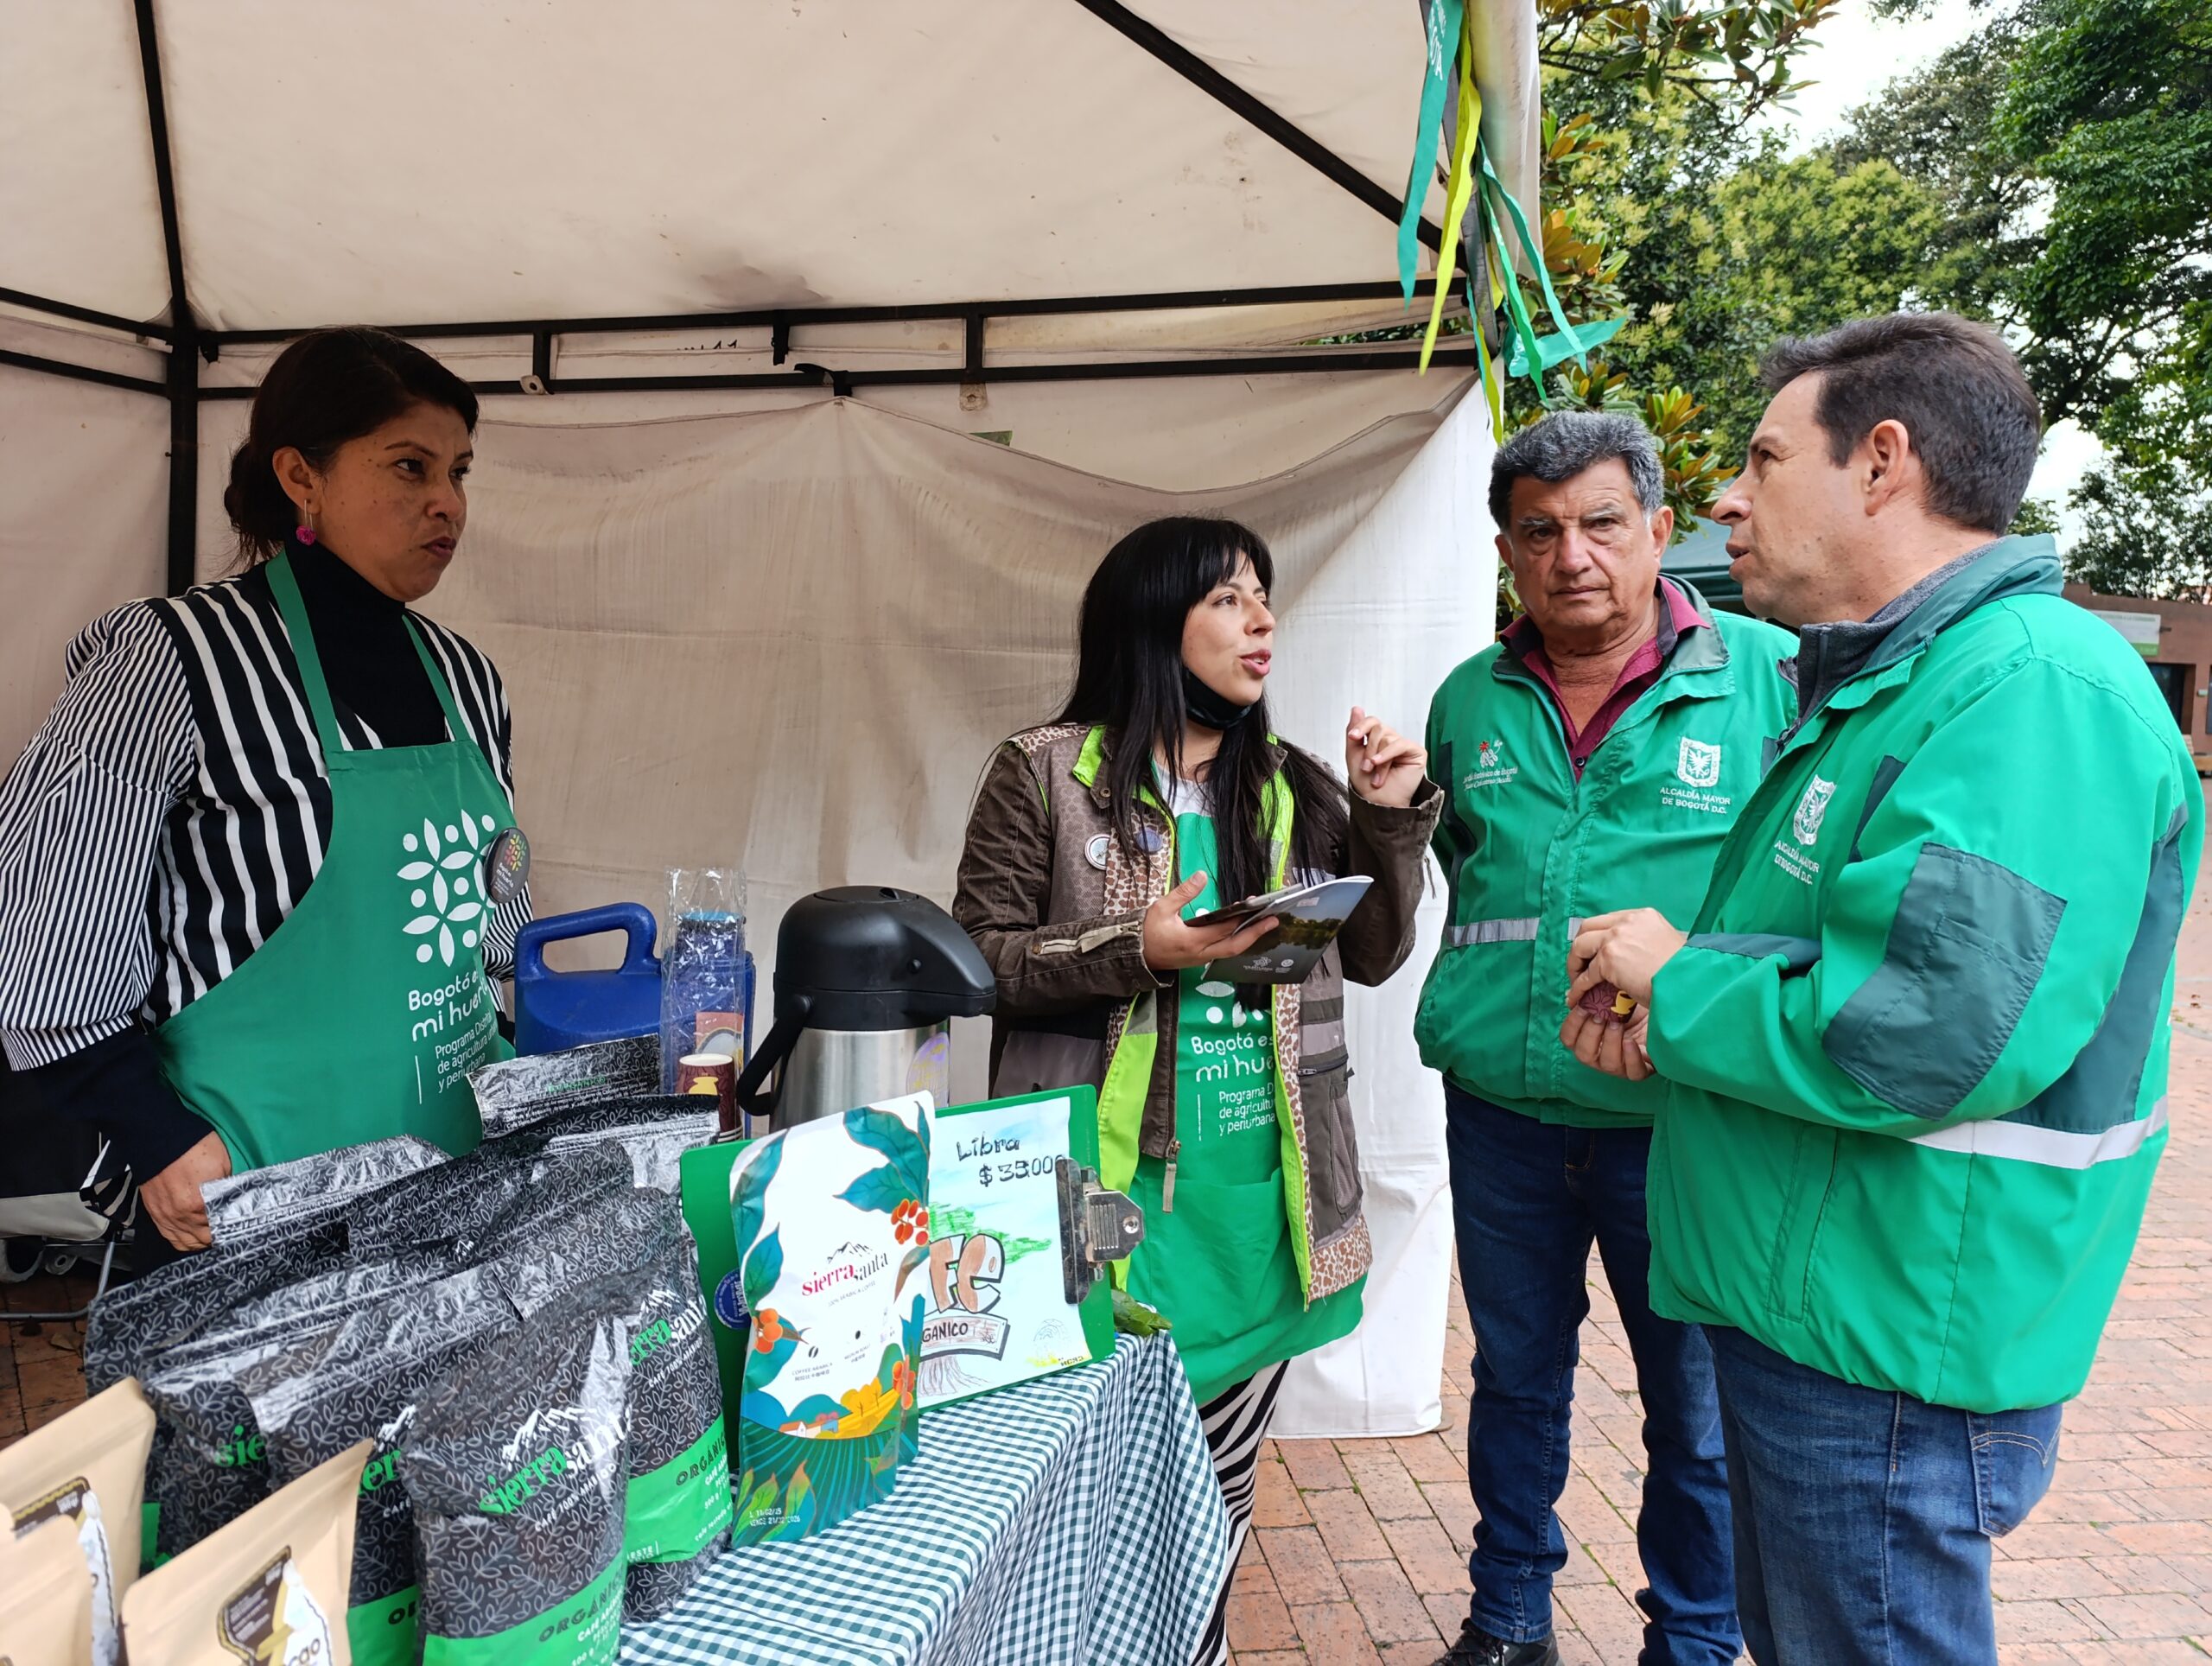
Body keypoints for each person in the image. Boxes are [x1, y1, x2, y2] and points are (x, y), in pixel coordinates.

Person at [1565, 313, 2201, 1664]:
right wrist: (1676, 1007)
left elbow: (1920, 1034)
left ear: (1882, 464)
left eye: (1762, 455)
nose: (1728, 499)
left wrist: (1676, 991)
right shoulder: (1908, 684)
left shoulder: (2027, 692)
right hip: (1838, 1299)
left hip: (1887, 1341)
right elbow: (1853, 955)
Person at [953, 515, 1440, 1666]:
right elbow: (982, 959)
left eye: (1265, 596)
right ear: (1152, 618)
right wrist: (1140, 947)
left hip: (1258, 1208)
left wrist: (1387, 816)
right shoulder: (1043, 774)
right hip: (1097, 1197)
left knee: (1211, 1497)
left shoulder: (1290, 783)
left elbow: (1368, 953)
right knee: (1096, 1492)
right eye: (1228, 597)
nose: (1262, 618)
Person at [0, 327, 530, 1258]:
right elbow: (45, 936)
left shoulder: (469, 680)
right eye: (410, 467)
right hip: (247, 1192)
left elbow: (491, 926)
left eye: (459, 471)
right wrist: (160, 1142)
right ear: (301, 477)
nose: (447, 503)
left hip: (450, 1189)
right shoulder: (171, 660)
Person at [1417, 412, 1796, 1666]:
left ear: (1656, 530)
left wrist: (1685, 996)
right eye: (1539, 531)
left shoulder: (1770, 682)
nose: (1571, 555)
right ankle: (1509, 1614)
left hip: (1679, 1120)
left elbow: (1807, 903)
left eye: (1600, 523)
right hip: (1504, 1114)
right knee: (1515, 1385)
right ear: (1507, 550)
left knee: (1693, 1408)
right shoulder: (1470, 698)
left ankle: (1693, 1636)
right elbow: (1464, 876)